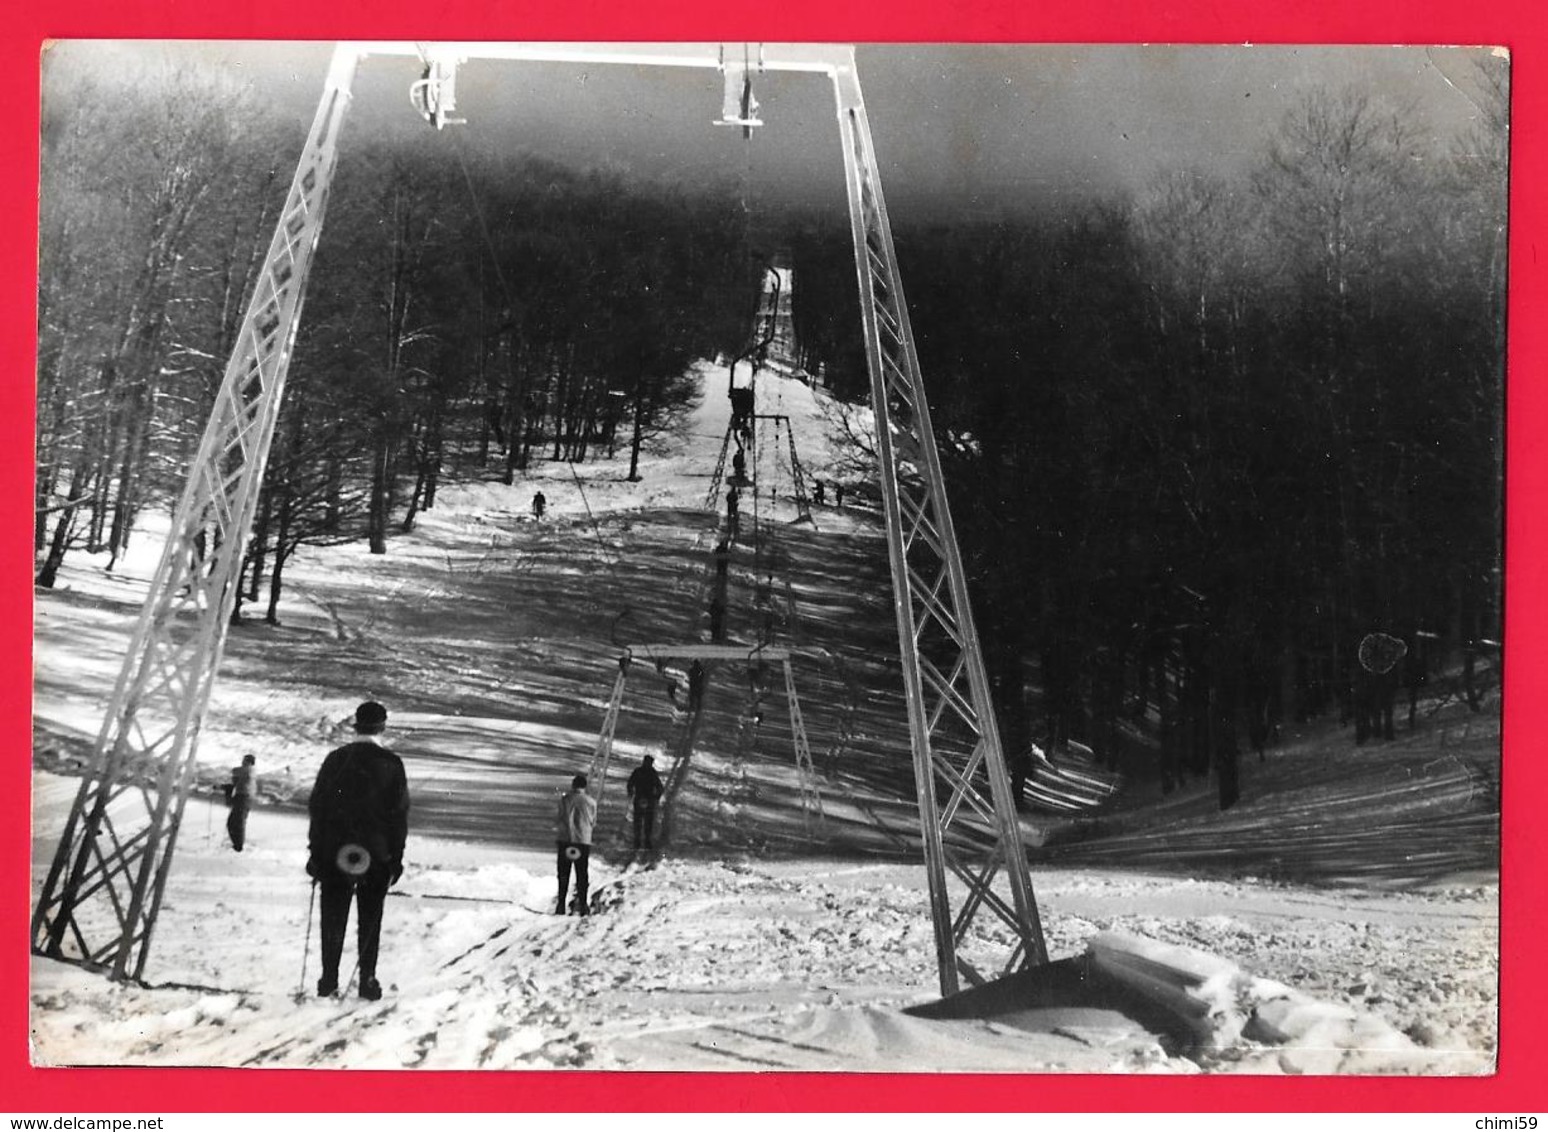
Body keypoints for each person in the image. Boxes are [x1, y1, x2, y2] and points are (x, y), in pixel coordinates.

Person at [307, 701, 409, 1001]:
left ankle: (328, 980)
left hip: (335, 851)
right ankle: (368, 980)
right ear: (383, 727)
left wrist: (316, 851)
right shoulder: (392, 764)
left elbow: (318, 808)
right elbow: (399, 816)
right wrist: (396, 857)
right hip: (376, 854)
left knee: (333, 916)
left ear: (356, 726)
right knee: (370, 917)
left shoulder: (334, 760)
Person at [556, 774, 597, 915]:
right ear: (585, 787)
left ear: (573, 786)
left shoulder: (565, 800)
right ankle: (583, 904)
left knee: (563, 873)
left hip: (566, 840)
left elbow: (560, 817)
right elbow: (593, 821)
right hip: (583, 842)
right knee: (582, 873)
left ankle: (561, 904)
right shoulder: (591, 802)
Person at [626, 756, 665, 851]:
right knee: (647, 821)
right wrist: (656, 797)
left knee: (639, 821)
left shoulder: (638, 771)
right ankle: (645, 841)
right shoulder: (652, 773)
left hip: (640, 798)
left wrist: (631, 793)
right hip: (648, 799)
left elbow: (630, 784)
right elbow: (660, 787)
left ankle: (638, 841)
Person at [226, 755, 256, 852]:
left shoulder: (249, 770)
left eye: (245, 761)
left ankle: (238, 845)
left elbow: (235, 771)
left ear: (250, 763)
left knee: (238, 823)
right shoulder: (247, 771)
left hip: (244, 798)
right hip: (241, 797)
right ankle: (236, 844)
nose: (242, 763)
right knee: (232, 822)